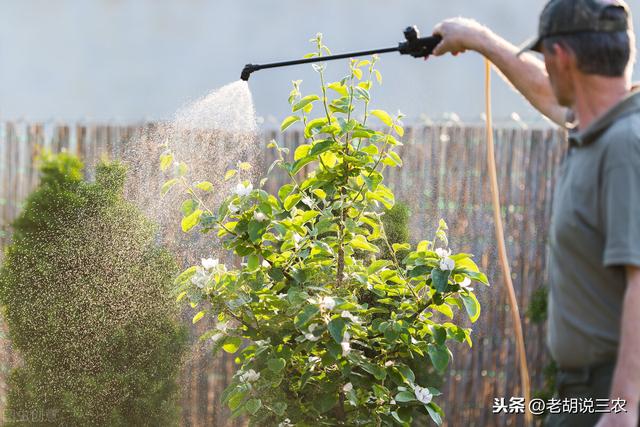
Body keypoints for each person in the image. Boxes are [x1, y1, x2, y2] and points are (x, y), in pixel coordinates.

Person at [432, 1, 640, 426]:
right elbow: (554, 97)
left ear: (560, 57)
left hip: (610, 396)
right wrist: (479, 39)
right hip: (582, 394)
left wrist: (625, 407)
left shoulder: (624, 145)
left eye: (545, 58)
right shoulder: (598, 128)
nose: (544, 69)